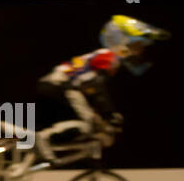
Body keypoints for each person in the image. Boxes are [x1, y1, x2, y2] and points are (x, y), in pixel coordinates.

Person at [37, 14, 170, 144]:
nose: (141, 51)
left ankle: (42, 140)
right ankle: (44, 137)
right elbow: (94, 86)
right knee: (88, 124)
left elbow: (88, 86)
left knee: (91, 123)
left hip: (57, 84)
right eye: (138, 45)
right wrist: (109, 114)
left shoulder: (103, 56)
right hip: (61, 84)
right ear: (122, 41)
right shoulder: (109, 56)